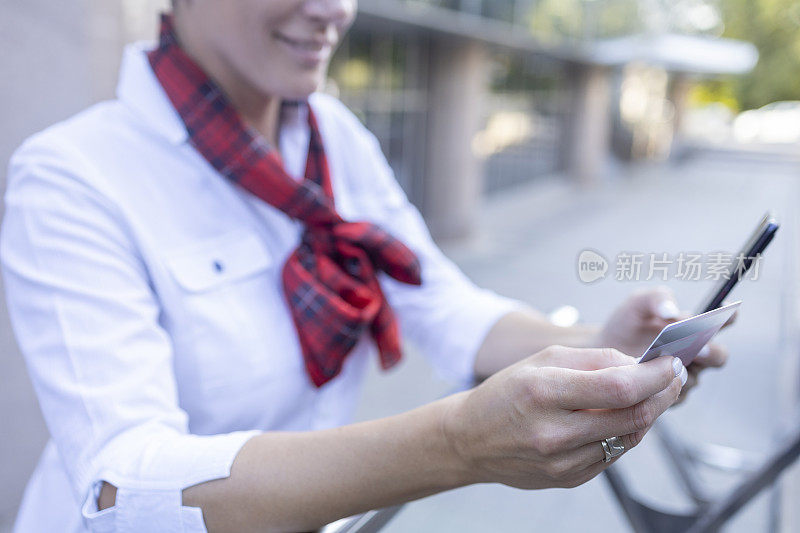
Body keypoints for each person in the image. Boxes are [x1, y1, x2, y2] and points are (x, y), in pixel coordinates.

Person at [1, 1, 727, 532]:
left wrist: (601, 351)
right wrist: (456, 443)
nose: (333, 11)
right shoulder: (72, 175)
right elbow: (121, 490)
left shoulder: (333, 136)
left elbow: (441, 302)